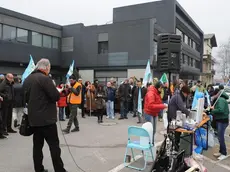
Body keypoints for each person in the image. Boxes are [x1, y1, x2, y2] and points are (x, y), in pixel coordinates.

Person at [23, 58, 67, 172]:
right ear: (46, 68)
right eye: (49, 68)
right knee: (54, 146)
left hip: (33, 119)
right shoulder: (44, 79)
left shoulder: (28, 79)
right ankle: (59, 170)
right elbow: (55, 96)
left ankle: (39, 169)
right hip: (47, 119)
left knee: (37, 146)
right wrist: (58, 91)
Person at [211, 89, 229, 160]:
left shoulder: (220, 99)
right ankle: (221, 151)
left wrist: (213, 110)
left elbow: (220, 110)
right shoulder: (221, 99)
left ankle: (224, 153)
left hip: (222, 121)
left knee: (221, 137)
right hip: (222, 121)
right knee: (219, 137)